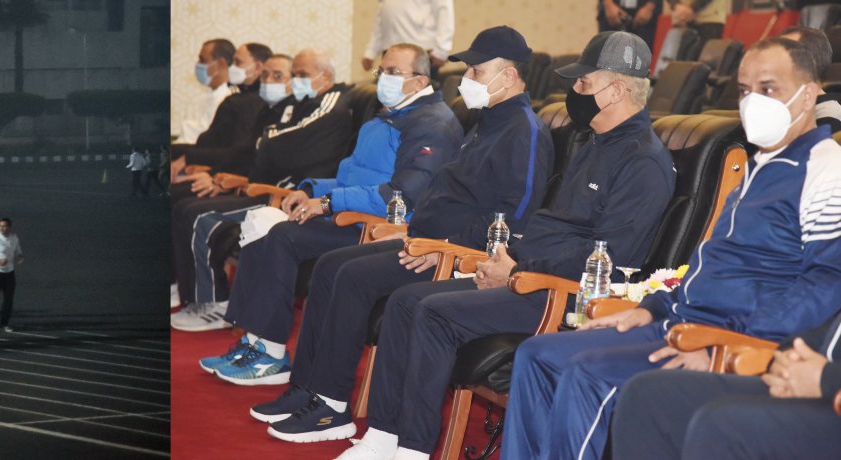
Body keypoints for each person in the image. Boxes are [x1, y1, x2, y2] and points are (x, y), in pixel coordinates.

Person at [326, 31, 675, 458]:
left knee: (433, 312)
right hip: (529, 270)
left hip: (563, 292)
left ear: (617, 89)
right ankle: (384, 435)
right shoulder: (594, 143)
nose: (574, 92)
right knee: (405, 301)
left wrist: (517, 269)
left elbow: (608, 257)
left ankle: (412, 450)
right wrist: (508, 260)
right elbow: (553, 227)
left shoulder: (643, 160)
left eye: (583, 84)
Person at [503, 35, 841, 460]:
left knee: (587, 373)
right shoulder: (761, 166)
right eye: (743, 90)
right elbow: (709, 272)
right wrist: (652, 307)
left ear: (808, 94)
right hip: (674, 323)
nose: (753, 101)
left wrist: (726, 343)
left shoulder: (826, 169)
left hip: (725, 338)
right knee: (538, 356)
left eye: (768, 89)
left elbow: (823, 287)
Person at [204, 27, 554, 433]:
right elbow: (446, 196)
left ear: (508, 75)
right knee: (331, 266)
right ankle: (309, 388)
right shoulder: (487, 123)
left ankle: (331, 406)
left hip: (457, 254)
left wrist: (443, 245)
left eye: (476, 71)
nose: (466, 80)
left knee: (351, 275)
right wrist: (410, 229)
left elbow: (515, 217)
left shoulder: (524, 131)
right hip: (423, 239)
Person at [179, 42, 461, 337]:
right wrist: (311, 190)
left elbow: (400, 195)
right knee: (261, 226)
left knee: (283, 236)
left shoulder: (431, 125)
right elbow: (349, 176)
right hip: (352, 209)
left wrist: (328, 202)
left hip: (379, 224)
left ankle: (269, 348)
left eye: (393, 72)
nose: (383, 78)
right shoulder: (382, 119)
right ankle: (250, 339)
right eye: (382, 70)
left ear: (420, 81)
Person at [611, 312, 841, 460]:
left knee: (724, 425)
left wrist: (825, 379)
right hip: (818, 379)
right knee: (650, 395)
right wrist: (786, 361)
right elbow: (827, 331)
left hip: (832, 395)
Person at [360, 0, 453, 74]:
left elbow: (445, 12)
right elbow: (383, 16)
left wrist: (441, 51)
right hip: (389, 50)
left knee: (418, 93)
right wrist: (371, 51)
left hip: (420, 51)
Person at [179, 39, 240, 144]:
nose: (197, 64)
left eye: (202, 60)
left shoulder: (228, 97)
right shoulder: (213, 95)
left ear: (221, 64)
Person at [0, 218, 24, 333]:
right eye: (0, 226)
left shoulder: (14, 237)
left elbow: (17, 250)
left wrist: (20, 256)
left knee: (8, 300)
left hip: (9, 274)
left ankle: (4, 324)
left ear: (9, 227)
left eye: (4, 226)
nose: (2, 228)